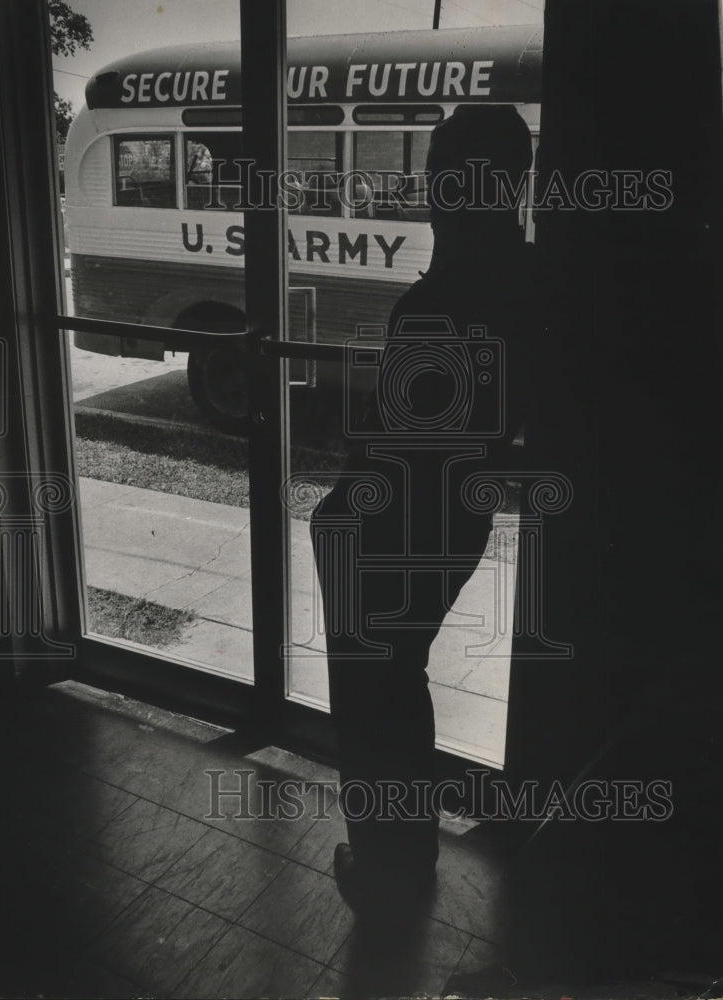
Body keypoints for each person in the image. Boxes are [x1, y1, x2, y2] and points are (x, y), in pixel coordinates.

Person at [310, 104, 536, 909]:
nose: (433, 182)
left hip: (396, 522)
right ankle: (396, 856)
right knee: (392, 688)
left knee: (370, 699)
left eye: (445, 163)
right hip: (439, 520)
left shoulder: (454, 290)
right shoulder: (517, 274)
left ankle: (387, 863)